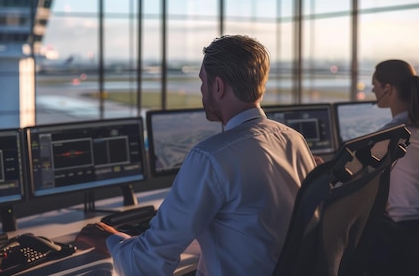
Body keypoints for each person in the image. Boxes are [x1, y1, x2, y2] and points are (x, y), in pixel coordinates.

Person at [75, 35, 317, 276]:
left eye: (203, 82)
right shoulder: (293, 140)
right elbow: (251, 230)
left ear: (219, 86)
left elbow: (149, 264)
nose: (202, 90)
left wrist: (111, 240)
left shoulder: (211, 157)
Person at [368, 59, 419, 275]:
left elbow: (357, 180)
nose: (372, 90)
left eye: (374, 86)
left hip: (401, 236)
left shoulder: (390, 136)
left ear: (387, 89)